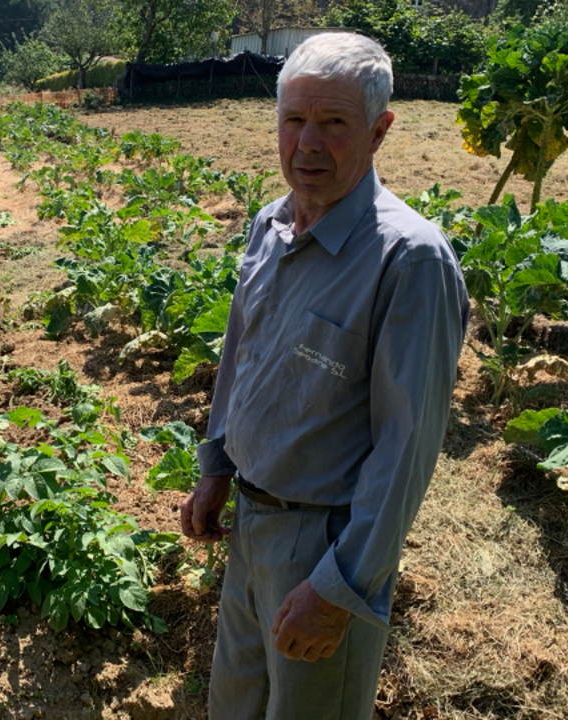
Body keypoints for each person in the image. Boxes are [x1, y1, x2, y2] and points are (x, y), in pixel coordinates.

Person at [179, 32, 469, 720]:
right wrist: (216, 467)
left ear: (379, 130)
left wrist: (339, 588)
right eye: (294, 120)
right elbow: (242, 357)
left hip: (324, 547)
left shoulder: (410, 260)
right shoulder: (269, 226)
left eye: (334, 123)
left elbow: (406, 449)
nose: (308, 142)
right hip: (251, 526)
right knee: (234, 705)